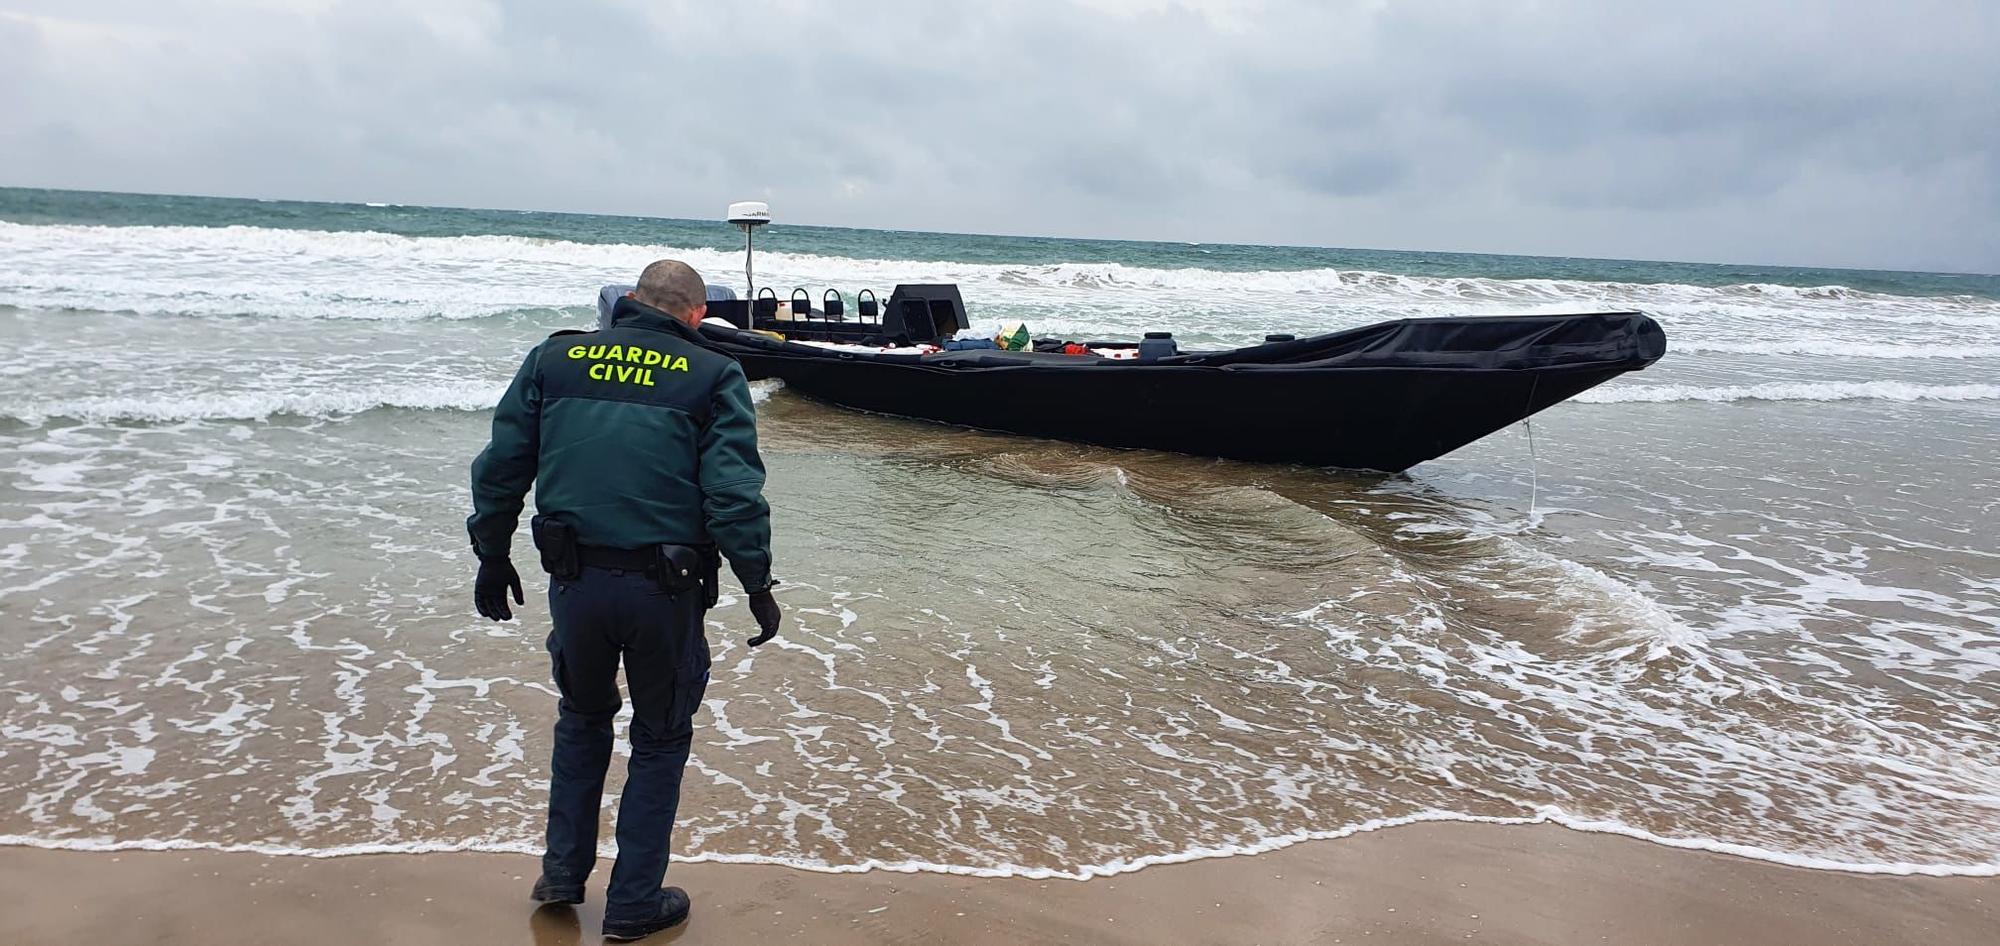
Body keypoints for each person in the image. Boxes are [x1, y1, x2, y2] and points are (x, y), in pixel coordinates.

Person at [467, 259, 783, 941]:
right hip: (662, 595)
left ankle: (561, 874)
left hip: (575, 585)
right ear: (696, 315)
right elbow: (732, 497)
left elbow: (500, 468)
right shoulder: (713, 374)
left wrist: (491, 555)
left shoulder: (555, 359)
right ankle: (634, 901)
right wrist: (758, 583)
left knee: (582, 718)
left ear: (630, 303)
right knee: (661, 738)